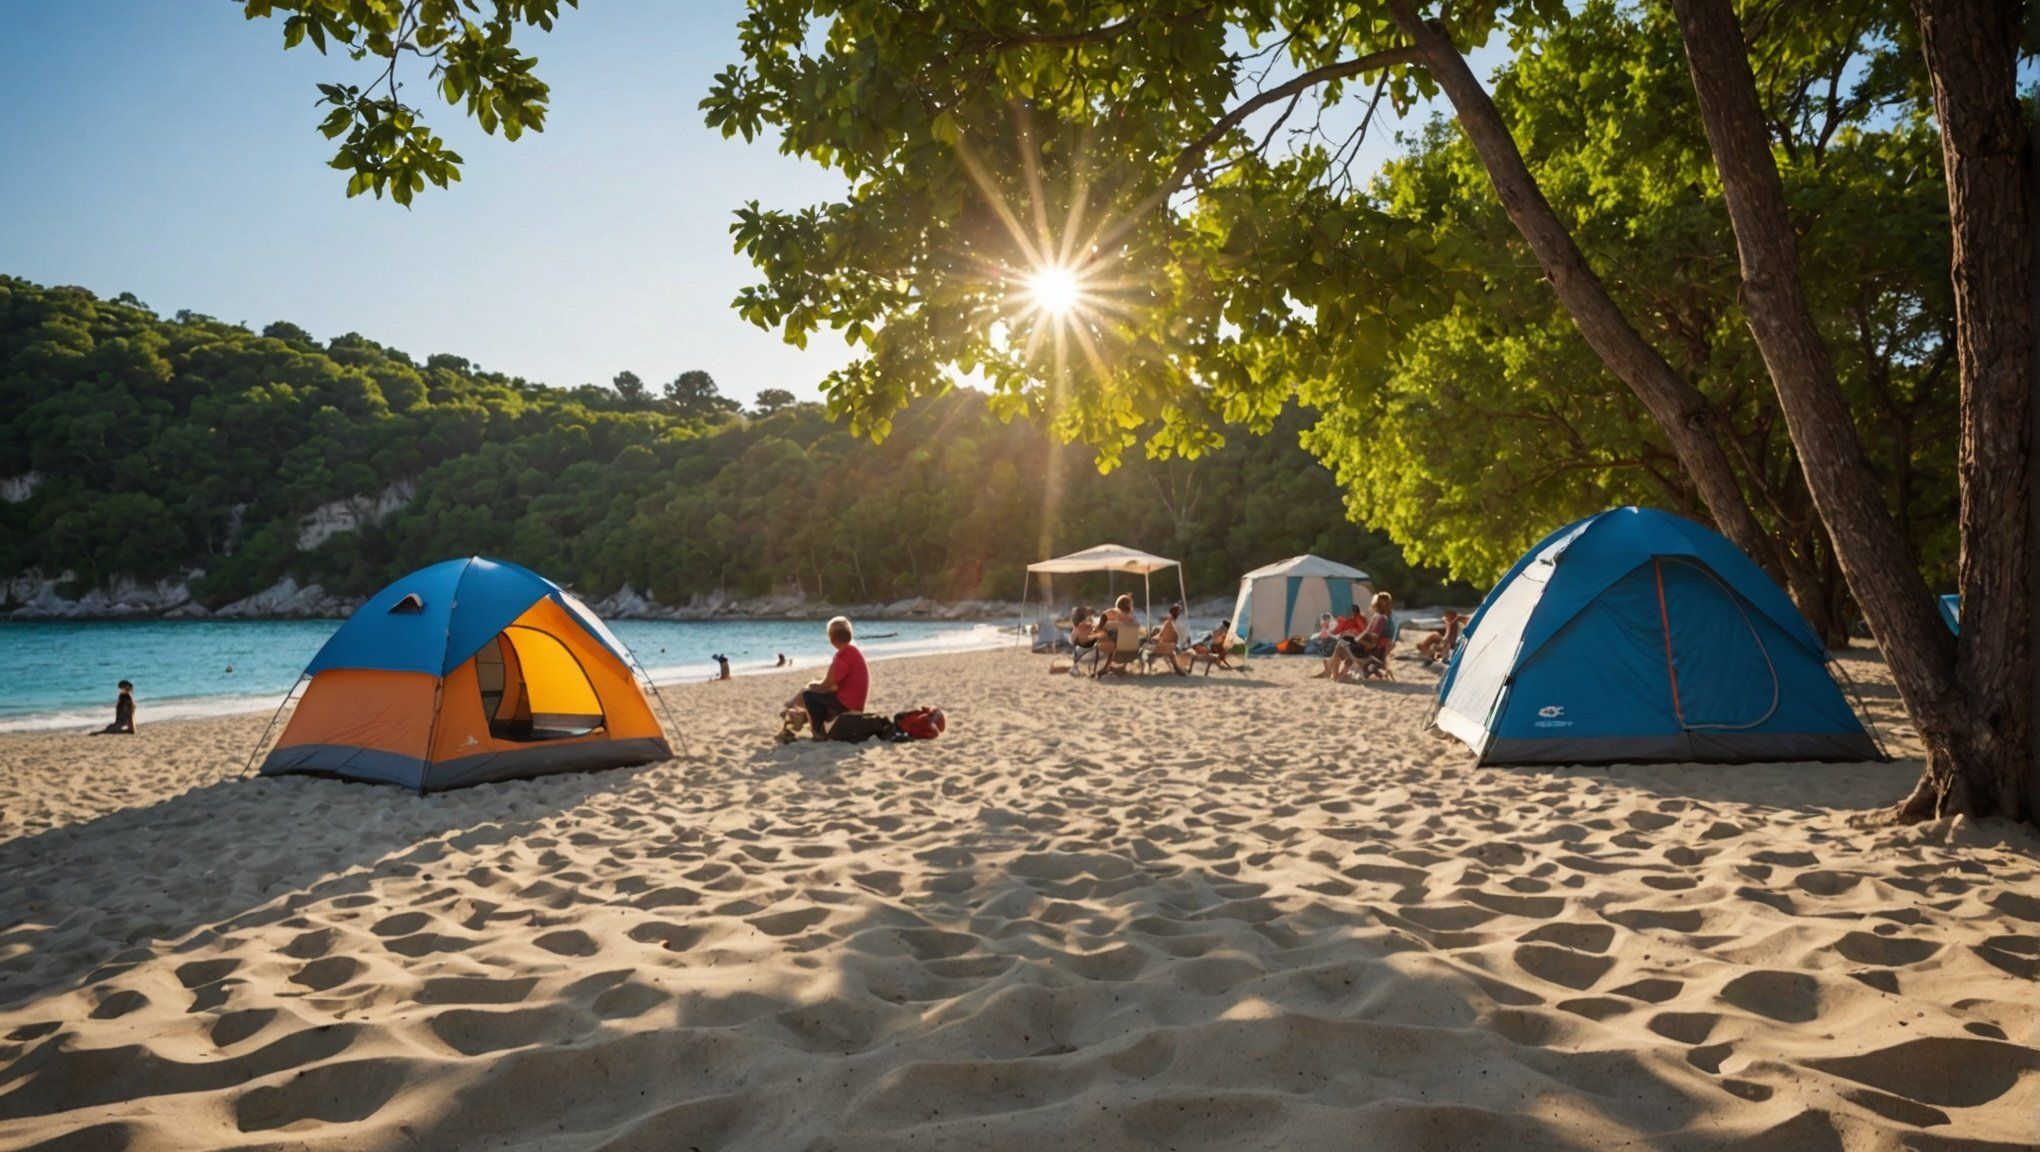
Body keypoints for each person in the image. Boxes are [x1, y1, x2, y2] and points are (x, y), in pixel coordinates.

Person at [782, 616, 867, 740]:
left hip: (848, 704)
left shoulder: (841, 657)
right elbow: (833, 685)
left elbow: (825, 686)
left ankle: (818, 731)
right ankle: (797, 713)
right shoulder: (854, 651)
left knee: (808, 695)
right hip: (854, 702)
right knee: (811, 692)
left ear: (832, 639)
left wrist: (806, 689)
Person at [1151, 601, 1189, 673]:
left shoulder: (1168, 621)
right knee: (1180, 648)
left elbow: (1162, 635)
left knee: (1173, 649)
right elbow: (1178, 638)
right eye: (1179, 612)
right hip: (1166, 646)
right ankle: (1179, 667)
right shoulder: (1176, 624)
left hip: (1161, 645)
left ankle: (1177, 667)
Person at [1068, 607, 1101, 676]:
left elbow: (1072, 641)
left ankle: (1077, 668)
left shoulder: (1076, 629)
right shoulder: (1090, 626)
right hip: (1091, 656)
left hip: (1078, 657)